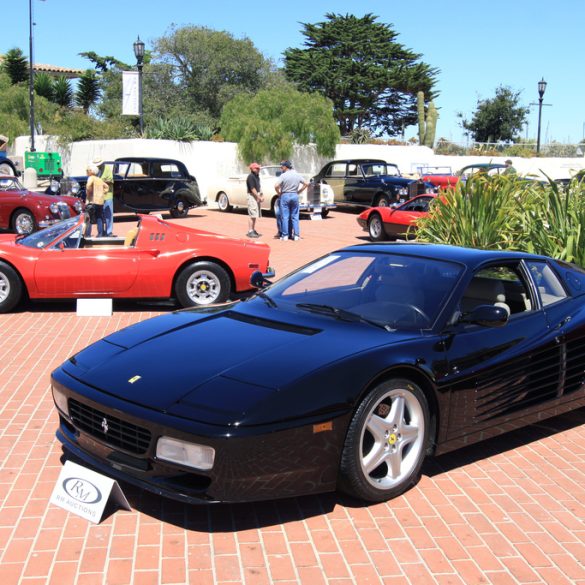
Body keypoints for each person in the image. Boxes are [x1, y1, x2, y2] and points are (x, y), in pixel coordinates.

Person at [275, 160, 308, 241]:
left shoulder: (283, 175)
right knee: (295, 216)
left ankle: (285, 235)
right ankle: (296, 235)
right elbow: (306, 183)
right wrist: (299, 192)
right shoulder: (297, 175)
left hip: (285, 195)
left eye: (282, 166)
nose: (281, 168)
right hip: (294, 195)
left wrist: (279, 193)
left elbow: (276, 186)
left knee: (285, 217)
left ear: (286, 167)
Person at [85, 163, 108, 237]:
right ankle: (100, 233)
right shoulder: (99, 179)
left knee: (89, 218)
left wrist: (89, 192)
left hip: (92, 201)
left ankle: (88, 234)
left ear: (91, 171)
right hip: (100, 201)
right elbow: (106, 187)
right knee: (99, 217)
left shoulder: (91, 178)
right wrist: (102, 193)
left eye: (88, 170)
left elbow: (88, 186)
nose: (86, 171)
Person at [94, 157, 114, 236]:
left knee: (108, 214)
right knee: (99, 214)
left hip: (107, 194)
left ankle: (109, 232)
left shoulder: (107, 168)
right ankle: (100, 232)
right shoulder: (94, 169)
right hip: (98, 195)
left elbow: (111, 180)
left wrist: (100, 181)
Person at [246, 162, 262, 238]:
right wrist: (258, 197)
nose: (258, 169)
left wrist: (261, 195)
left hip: (256, 196)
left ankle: (253, 229)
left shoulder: (257, 176)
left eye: (259, 168)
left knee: (255, 214)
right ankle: (250, 231)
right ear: (252, 169)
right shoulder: (251, 177)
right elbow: (252, 189)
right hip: (252, 196)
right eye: (257, 168)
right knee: (252, 214)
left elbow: (258, 187)